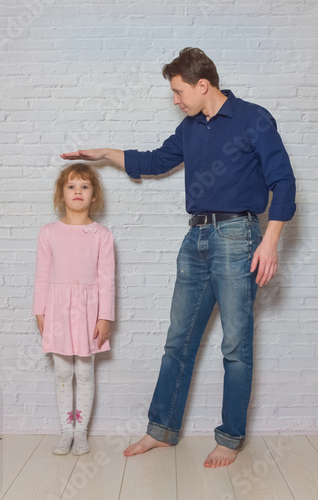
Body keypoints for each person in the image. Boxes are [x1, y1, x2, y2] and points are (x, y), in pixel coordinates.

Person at [60, 47, 296, 467]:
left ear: (202, 84)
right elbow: (153, 161)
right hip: (196, 240)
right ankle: (162, 430)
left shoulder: (253, 118)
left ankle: (230, 436)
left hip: (239, 236)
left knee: (236, 345)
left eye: (178, 91)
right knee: (178, 341)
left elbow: (284, 181)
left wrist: (271, 240)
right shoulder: (190, 129)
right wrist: (104, 154)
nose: (176, 100)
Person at [32, 163, 115, 456]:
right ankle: (65, 431)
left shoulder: (101, 235)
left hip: (89, 312)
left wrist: (104, 316)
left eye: (84, 186)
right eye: (71, 186)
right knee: (62, 373)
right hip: (56, 310)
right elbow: (42, 274)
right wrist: (40, 311)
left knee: (85, 372)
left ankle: (81, 433)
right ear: (61, 194)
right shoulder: (48, 233)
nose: (77, 191)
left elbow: (106, 279)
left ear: (93, 195)